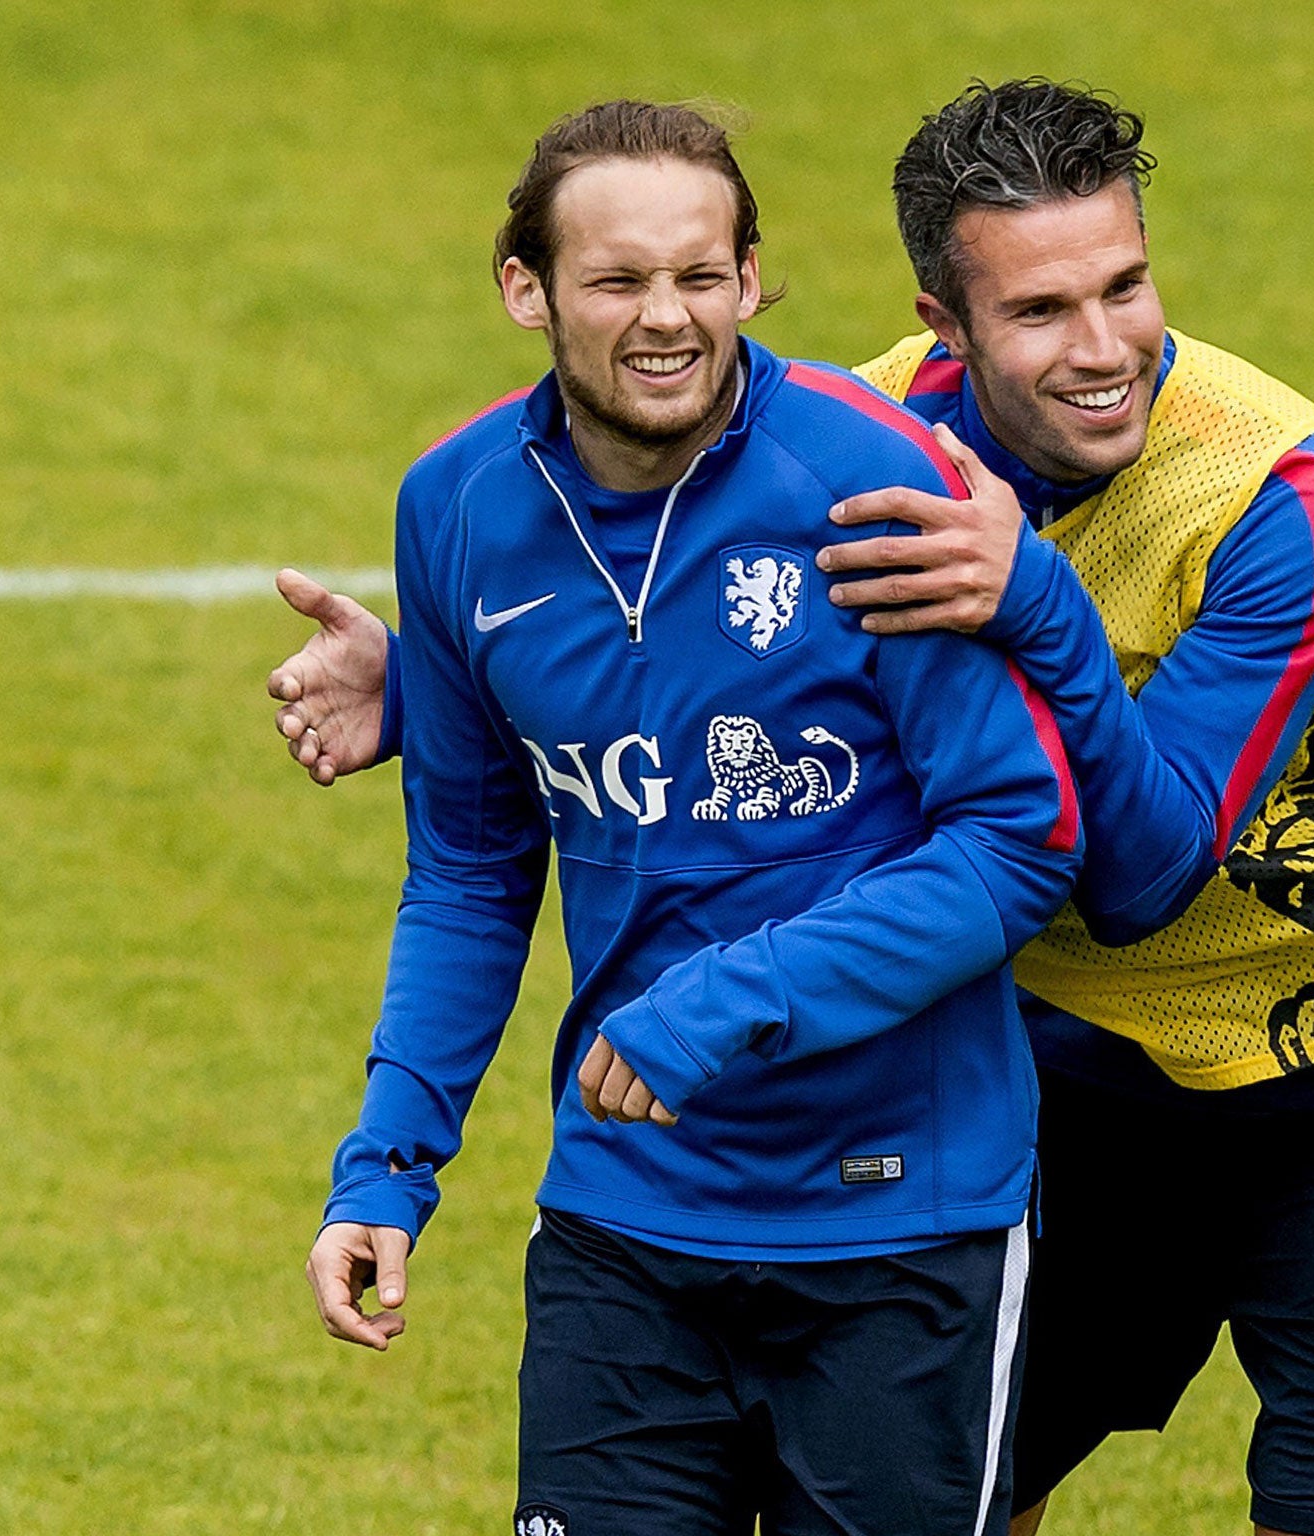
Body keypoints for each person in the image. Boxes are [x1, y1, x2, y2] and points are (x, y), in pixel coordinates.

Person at [277, 81, 1314, 1536]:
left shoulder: (1284, 495)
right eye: (1038, 312)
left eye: (1126, 287)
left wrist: (1033, 598)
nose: (1105, 352)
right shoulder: (879, 436)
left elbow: (1138, 872)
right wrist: (430, 682)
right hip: (1058, 1080)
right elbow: (719, 644)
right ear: (943, 327)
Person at [301, 98, 1086, 1536]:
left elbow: (1014, 842)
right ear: (525, 289)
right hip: (627, 1219)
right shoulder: (459, 507)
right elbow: (472, 873)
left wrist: (719, 1006)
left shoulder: (867, 481)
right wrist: (387, 1166)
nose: (667, 320)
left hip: (901, 1226)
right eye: (618, 281)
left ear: (749, 278)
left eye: (701, 277)